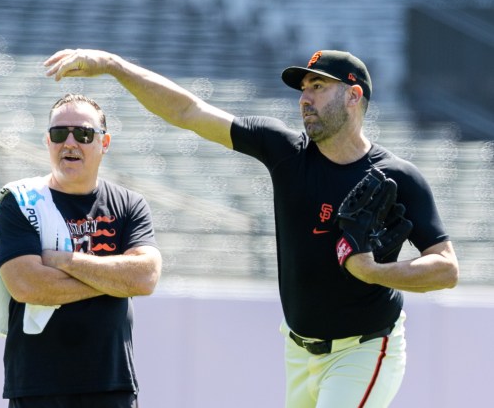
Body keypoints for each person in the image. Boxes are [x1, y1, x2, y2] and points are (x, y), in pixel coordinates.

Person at [43, 49, 459, 408]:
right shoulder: (285, 151)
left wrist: (374, 273)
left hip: (367, 347)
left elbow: (445, 267)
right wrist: (114, 66)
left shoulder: (396, 178)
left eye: (318, 87)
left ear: (353, 96)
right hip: (299, 349)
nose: (305, 98)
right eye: (303, 88)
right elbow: (189, 112)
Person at [0, 93, 162, 408]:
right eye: (58, 133)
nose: (69, 142)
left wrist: (63, 261)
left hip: (113, 385)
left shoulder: (130, 204)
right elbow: (27, 286)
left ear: (104, 142)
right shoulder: (20, 202)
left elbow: (145, 277)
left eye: (82, 133)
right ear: (47, 141)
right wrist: (112, 282)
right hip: (36, 387)